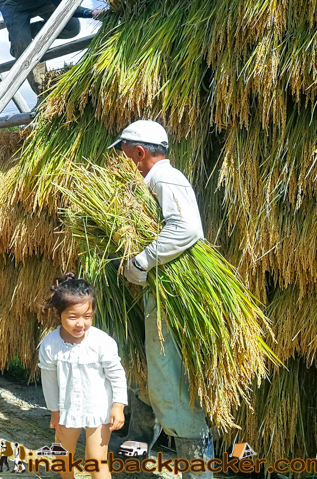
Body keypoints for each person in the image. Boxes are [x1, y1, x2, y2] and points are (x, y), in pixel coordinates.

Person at [109, 119, 214, 479]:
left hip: (171, 297)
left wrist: (141, 261)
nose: (122, 160)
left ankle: (197, 473)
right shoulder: (151, 182)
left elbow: (186, 228)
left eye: (123, 153)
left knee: (171, 380)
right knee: (145, 372)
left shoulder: (165, 179)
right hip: (157, 292)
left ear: (139, 153)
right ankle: (135, 452)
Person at [38, 273, 127, 479]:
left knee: (96, 460)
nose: (81, 323)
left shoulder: (101, 342)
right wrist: (55, 411)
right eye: (73, 317)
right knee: (62, 455)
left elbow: (117, 374)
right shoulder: (51, 344)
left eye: (87, 316)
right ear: (57, 313)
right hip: (68, 409)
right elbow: (49, 380)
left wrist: (118, 406)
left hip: (99, 410)